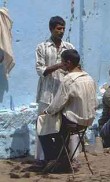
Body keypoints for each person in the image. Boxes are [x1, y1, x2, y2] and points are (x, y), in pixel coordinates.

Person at [41, 49, 97, 170]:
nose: (62, 65)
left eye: (63, 62)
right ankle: (63, 158)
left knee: (42, 124)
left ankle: (53, 160)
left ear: (68, 63)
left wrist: (46, 112)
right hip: (88, 120)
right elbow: (95, 102)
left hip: (74, 121)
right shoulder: (89, 78)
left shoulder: (68, 79)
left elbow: (57, 103)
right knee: (57, 126)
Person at [35, 16, 74, 161]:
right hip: (46, 94)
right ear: (51, 29)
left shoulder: (69, 47)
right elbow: (40, 70)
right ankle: (45, 159)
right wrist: (59, 65)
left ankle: (65, 158)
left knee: (63, 127)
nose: (62, 31)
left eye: (63, 28)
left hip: (64, 94)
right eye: (59, 29)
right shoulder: (42, 47)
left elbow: (75, 67)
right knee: (43, 127)